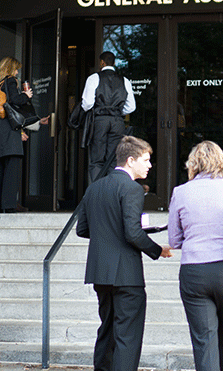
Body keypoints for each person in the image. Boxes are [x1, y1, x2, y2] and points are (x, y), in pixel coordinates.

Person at [75, 135, 173, 371]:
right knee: (127, 337)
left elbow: (83, 229)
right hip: (126, 275)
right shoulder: (132, 188)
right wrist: (158, 250)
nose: (150, 165)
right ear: (131, 160)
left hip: (100, 272)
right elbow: (132, 233)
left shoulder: (94, 187)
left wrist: (109, 233)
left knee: (106, 331)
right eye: (146, 159)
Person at [168, 141, 223, 371]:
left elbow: (174, 240)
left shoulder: (181, 192)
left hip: (194, 272)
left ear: (192, 163)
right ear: (221, 160)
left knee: (204, 342)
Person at [82, 51, 137, 183]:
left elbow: (87, 104)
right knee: (114, 159)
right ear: (114, 63)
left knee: (97, 159)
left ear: (102, 62)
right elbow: (131, 107)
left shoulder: (94, 78)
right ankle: (112, 193)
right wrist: (117, 112)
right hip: (117, 121)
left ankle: (97, 192)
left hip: (100, 120)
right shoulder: (124, 80)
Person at [0, 57, 32, 213]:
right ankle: (9, 205)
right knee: (12, 168)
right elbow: (14, 100)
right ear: (10, 69)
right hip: (8, 129)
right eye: (16, 69)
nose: (17, 72)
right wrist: (26, 95)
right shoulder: (11, 81)